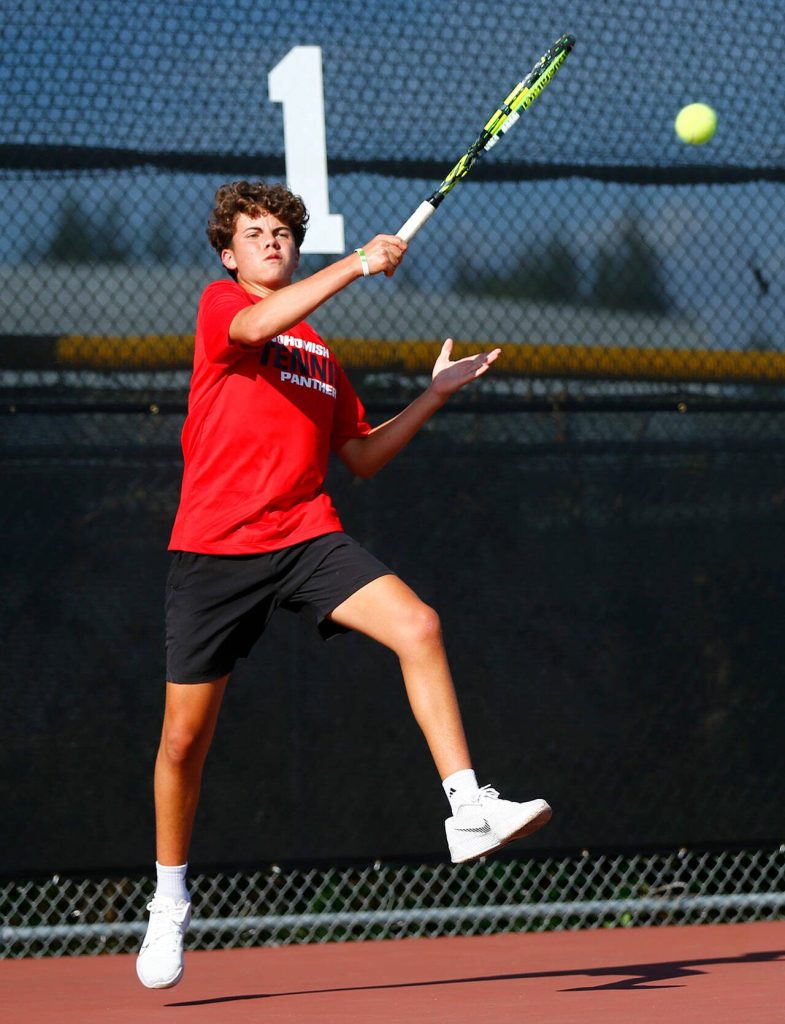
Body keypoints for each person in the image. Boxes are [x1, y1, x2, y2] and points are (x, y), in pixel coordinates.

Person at [136, 181, 551, 989]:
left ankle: (467, 808)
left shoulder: (319, 355)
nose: (272, 242)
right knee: (183, 742)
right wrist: (359, 263)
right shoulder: (224, 307)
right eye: (255, 233)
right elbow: (256, 326)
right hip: (215, 550)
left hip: (304, 537)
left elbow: (359, 455)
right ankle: (169, 898)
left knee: (418, 625)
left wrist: (432, 395)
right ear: (228, 254)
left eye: (283, 233)